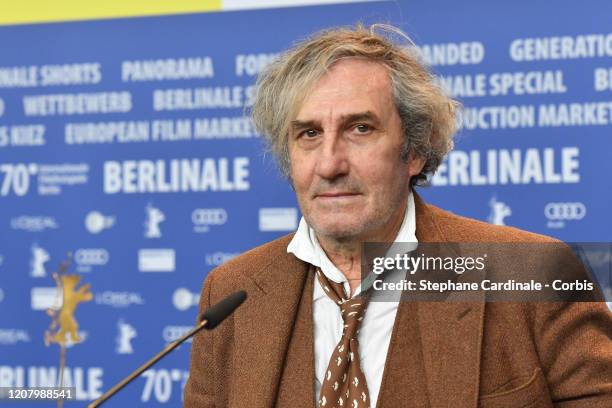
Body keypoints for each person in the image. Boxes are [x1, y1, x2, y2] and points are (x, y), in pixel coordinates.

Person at [184, 25, 612, 407]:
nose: (330, 164)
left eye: (360, 129)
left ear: (415, 151)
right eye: (309, 134)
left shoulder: (531, 274)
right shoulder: (232, 291)